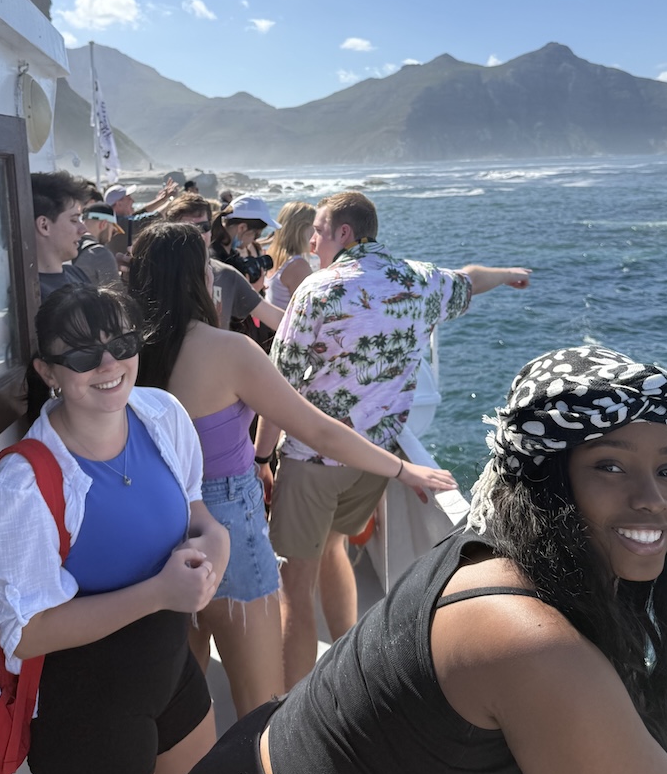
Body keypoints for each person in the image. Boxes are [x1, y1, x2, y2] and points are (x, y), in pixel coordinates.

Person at [168, 345, 667, 774]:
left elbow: (647, 717)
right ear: (546, 481)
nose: (653, 499)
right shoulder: (527, 638)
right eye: (609, 466)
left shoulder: (506, 554)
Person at [127, 221, 457, 719]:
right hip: (228, 524)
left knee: (184, 695)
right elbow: (320, 430)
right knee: (259, 701)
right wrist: (400, 470)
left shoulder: (126, 356)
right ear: (195, 277)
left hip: (154, 525)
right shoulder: (228, 351)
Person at [257, 190, 530, 686]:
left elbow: (279, 383)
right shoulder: (420, 279)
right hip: (374, 461)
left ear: (344, 233)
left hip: (312, 460)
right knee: (336, 548)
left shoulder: (318, 289)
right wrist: (509, 273)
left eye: (318, 229)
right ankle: (346, 675)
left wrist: (261, 456)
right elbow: (470, 277)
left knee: (294, 587)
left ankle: (288, 707)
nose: (311, 238)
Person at [0, 285, 230, 774]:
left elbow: (198, 514)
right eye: (85, 355)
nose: (110, 364)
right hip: (88, 710)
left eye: (124, 342)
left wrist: (216, 550)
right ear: (49, 372)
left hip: (171, 675)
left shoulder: (162, 415)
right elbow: (25, 634)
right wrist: (162, 592)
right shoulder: (26, 484)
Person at [164, 192, 284, 333]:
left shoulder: (227, 274)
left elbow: (275, 318)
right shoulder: (155, 275)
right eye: (188, 229)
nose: (198, 235)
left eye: (204, 227)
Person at [31, 170, 91, 301]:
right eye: (74, 220)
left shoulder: (76, 273)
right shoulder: (33, 294)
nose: (84, 229)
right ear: (44, 226)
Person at [264, 201, 315, 310]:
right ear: (302, 230)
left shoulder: (273, 254)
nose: (316, 233)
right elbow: (310, 311)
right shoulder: (297, 266)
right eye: (315, 227)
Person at [73, 200, 124, 286]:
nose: (111, 237)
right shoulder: (100, 253)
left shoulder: (69, 248)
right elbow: (116, 295)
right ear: (103, 224)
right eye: (113, 231)